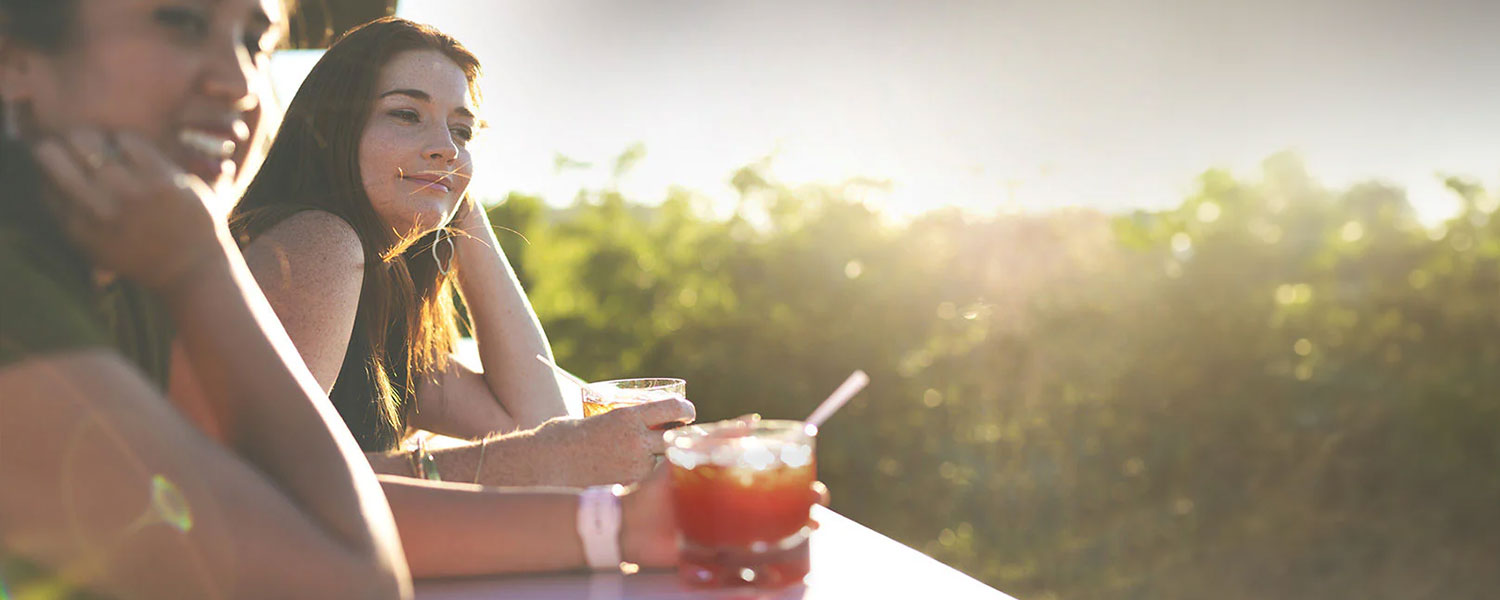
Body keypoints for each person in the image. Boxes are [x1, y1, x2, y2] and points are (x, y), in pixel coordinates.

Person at [0, 0, 411, 597]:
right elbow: (353, 588)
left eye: (254, 41)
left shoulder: (118, 271)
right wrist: (201, 263)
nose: (241, 81)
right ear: (13, 58)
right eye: (182, 21)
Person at [228, 16, 685, 487]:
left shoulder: (381, 300)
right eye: (407, 115)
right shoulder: (320, 244)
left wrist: (460, 204)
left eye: (462, 132)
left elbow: (537, 420)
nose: (446, 148)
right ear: (331, 128)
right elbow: (267, 486)